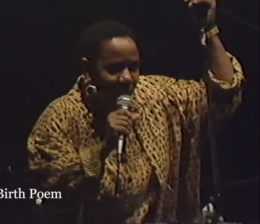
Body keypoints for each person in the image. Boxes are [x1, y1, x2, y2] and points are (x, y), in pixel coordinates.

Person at [27, 0, 244, 223]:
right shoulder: (61, 118)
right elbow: (53, 191)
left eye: (133, 67)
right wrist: (103, 147)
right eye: (114, 69)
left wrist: (209, 30)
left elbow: (224, 93)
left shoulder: (160, 95)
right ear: (88, 68)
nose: (127, 78)